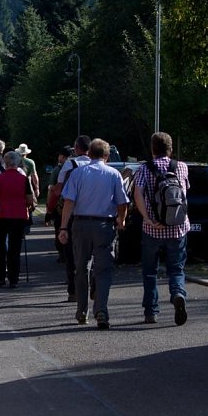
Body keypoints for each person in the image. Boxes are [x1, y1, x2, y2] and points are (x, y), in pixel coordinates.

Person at [58, 138, 128, 330]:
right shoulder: (114, 174)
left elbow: (69, 202)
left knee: (81, 268)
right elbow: (123, 202)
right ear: (106, 156)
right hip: (104, 226)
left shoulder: (78, 173)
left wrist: (63, 227)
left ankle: (82, 311)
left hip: (81, 224)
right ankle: (101, 310)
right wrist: (121, 220)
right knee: (103, 270)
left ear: (89, 154)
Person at [133, 132, 191, 326]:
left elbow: (138, 194)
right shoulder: (181, 167)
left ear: (152, 149)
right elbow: (183, 194)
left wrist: (147, 218)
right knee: (176, 268)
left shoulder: (144, 169)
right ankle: (178, 293)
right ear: (171, 149)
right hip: (177, 228)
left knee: (150, 272)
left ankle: (151, 312)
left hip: (152, 229)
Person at [53, 138, 92, 302]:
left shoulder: (70, 165)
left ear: (76, 148)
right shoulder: (97, 165)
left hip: (73, 213)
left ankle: (73, 291)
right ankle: (93, 284)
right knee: (92, 253)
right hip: (95, 214)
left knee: (71, 253)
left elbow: (59, 189)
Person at [0, 151, 35, 287]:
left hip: (0, 216)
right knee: (15, 248)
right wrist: (26, 205)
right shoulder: (23, 179)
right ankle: (13, 279)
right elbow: (29, 200)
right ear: (18, 163)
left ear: (5, 162)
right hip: (18, 216)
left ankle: (0, 278)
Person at [45, 146, 73, 264]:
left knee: (60, 229)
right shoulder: (81, 167)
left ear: (62, 156)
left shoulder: (58, 169)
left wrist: (49, 208)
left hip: (60, 206)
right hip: (76, 206)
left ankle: (62, 254)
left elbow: (52, 189)